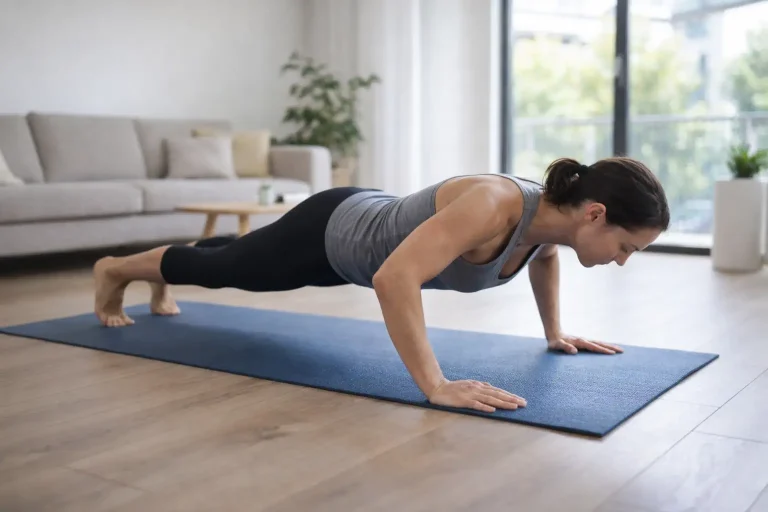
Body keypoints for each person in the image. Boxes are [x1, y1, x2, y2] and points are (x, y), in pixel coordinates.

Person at [93, 156, 670, 414]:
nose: (621, 261)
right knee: (224, 271)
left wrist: (555, 332)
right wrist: (435, 385)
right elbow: (394, 277)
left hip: (354, 234)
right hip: (331, 232)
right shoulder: (495, 205)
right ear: (594, 214)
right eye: (626, 247)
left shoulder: (554, 225)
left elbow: (544, 258)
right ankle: (116, 269)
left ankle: (159, 272)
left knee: (234, 259)